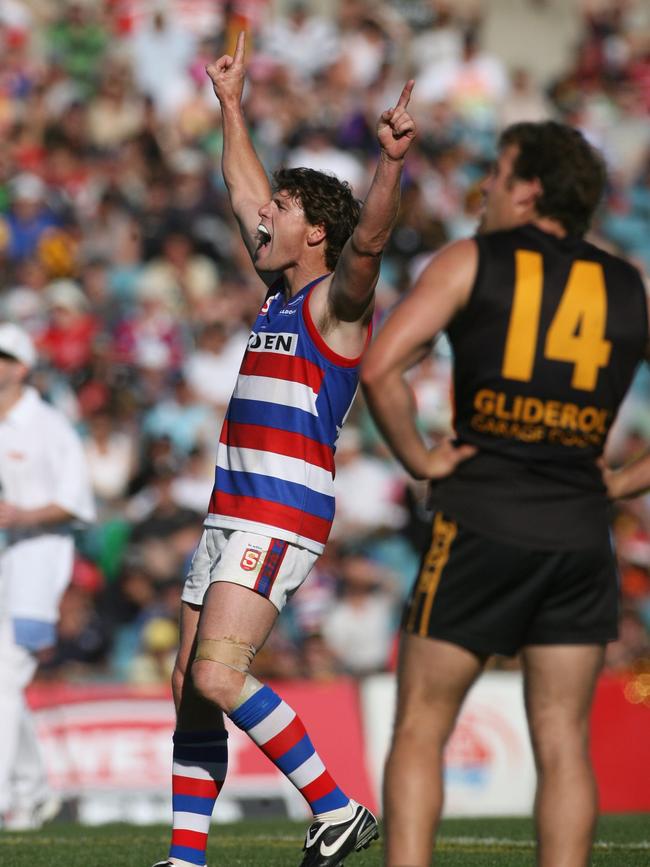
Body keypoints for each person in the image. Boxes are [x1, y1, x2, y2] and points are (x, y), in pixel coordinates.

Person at [152, 32, 416, 867]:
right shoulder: (276, 293)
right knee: (189, 684)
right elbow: (242, 185)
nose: (263, 214)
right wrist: (230, 104)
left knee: (221, 675)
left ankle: (335, 808)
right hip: (231, 508)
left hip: (279, 511)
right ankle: (187, 860)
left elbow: (369, 243)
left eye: (282, 211)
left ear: (316, 235)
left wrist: (390, 165)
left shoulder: (336, 308)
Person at [360, 121, 648, 867]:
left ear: (528, 191)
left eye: (498, 171)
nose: (484, 186)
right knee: (562, 738)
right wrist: (620, 479)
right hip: (582, 531)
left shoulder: (471, 260)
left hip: (483, 517)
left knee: (421, 723)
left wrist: (422, 458)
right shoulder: (627, 283)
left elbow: (381, 367)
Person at [0, 322, 95, 829]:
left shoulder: (50, 427)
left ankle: (9, 798)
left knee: (5, 672)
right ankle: (33, 789)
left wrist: (21, 516)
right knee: (4, 680)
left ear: (22, 368)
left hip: (38, 565)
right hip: (6, 562)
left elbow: (76, 504)